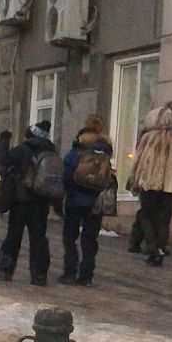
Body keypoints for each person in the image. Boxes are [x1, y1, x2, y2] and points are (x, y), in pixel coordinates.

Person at [125, 102, 172, 266]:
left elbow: (139, 161)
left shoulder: (149, 137)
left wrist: (134, 179)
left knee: (147, 215)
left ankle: (152, 245)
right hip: (169, 185)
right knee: (163, 217)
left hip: (150, 183)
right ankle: (161, 246)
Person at [0, 120, 58, 286]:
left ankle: (5, 270)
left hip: (21, 200)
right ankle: (39, 275)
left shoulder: (24, 149)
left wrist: (4, 140)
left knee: (13, 236)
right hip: (41, 202)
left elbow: (3, 160)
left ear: (31, 135)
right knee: (39, 239)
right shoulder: (51, 152)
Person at [60, 117, 116, 286]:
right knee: (90, 239)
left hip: (75, 200)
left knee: (69, 237)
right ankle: (86, 275)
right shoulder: (105, 154)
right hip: (96, 203)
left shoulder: (77, 150)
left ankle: (70, 272)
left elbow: (66, 175)